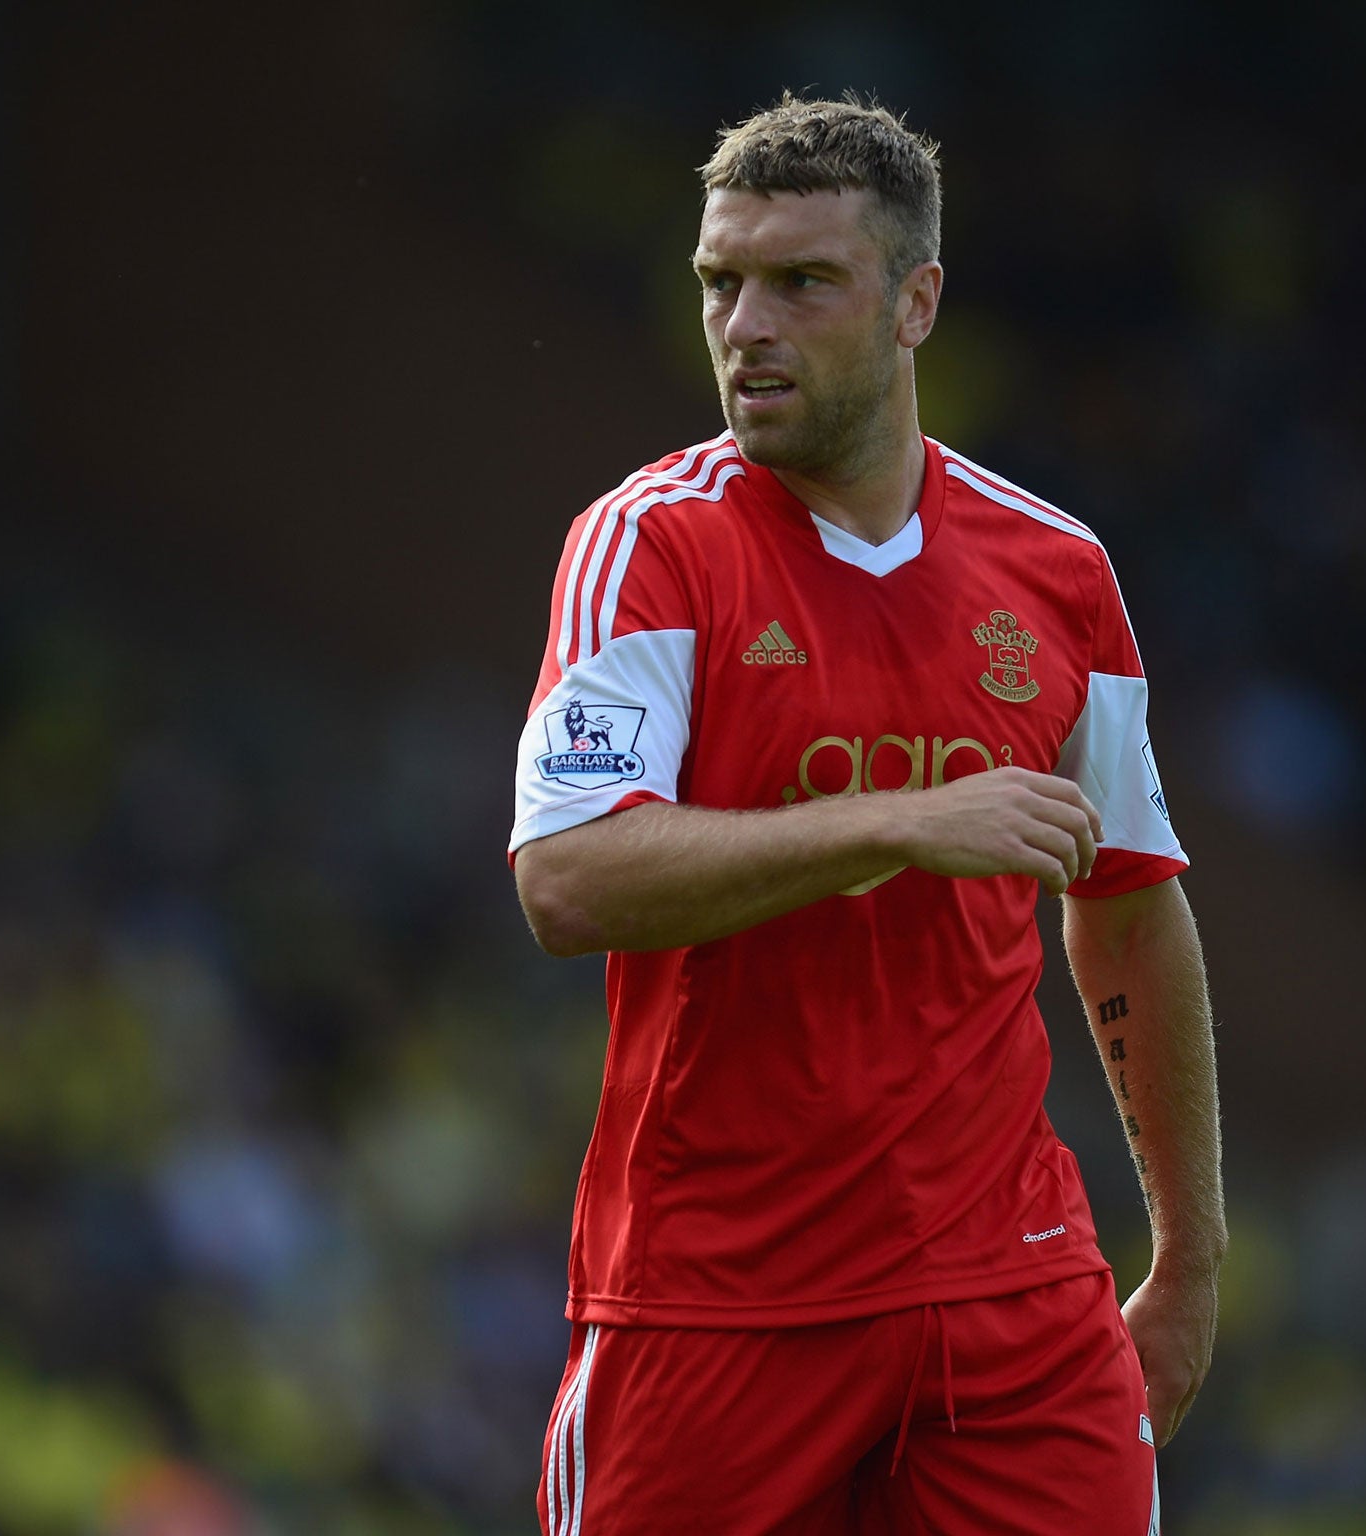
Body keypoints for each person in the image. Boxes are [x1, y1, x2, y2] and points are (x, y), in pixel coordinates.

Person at [508, 94, 1224, 1535]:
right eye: (723, 283)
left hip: (1009, 1291)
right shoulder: (652, 545)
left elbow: (1131, 904)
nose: (745, 325)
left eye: (801, 282)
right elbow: (566, 881)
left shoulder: (1056, 572)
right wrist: (900, 822)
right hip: (716, 1301)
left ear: (916, 305)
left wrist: (1191, 1257)